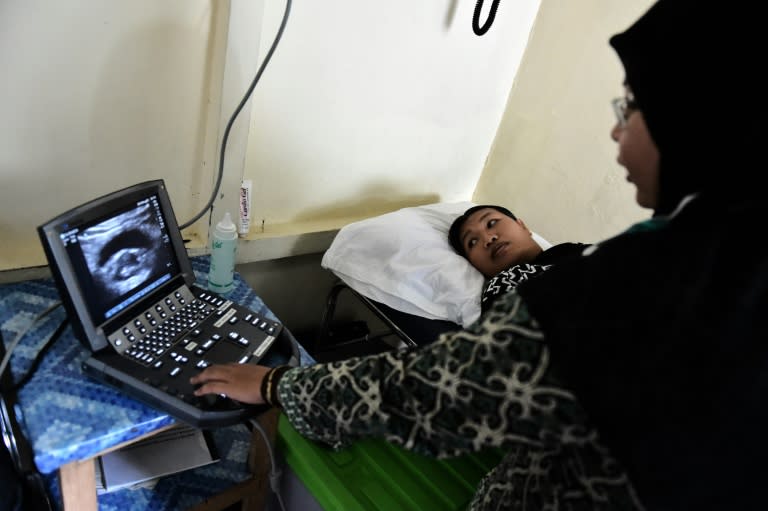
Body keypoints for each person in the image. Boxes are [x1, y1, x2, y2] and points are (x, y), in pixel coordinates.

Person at [192, 1, 767, 509]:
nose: (617, 132)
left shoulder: (617, 282)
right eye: (474, 241)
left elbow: (424, 395)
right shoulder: (688, 255)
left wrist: (273, 386)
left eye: (631, 107)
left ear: (692, 116)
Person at [447, 204, 589, 312]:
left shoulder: (571, 250)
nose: (488, 239)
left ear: (523, 226)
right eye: (472, 242)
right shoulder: (500, 287)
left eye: (491, 223)